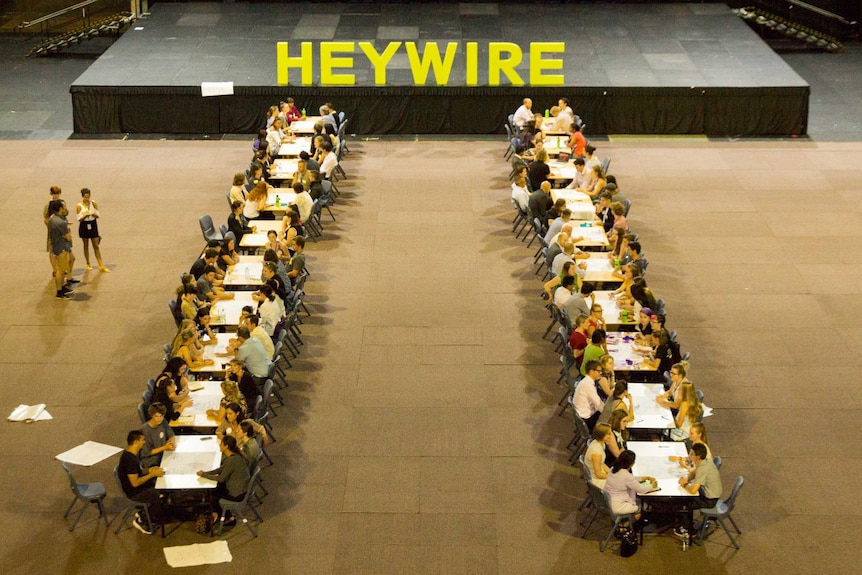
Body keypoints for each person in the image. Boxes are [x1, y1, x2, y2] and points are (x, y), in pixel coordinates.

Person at [197, 435, 250, 527]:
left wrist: (205, 475)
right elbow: (221, 469)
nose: (219, 446)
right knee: (217, 489)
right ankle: (225, 515)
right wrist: (206, 473)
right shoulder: (235, 456)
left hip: (236, 494)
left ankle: (228, 517)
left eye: (221, 444)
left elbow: (221, 478)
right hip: (240, 489)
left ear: (226, 446)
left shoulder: (231, 460)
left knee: (214, 497)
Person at [118, 430, 165, 534]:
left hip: (136, 487)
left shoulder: (131, 454)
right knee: (160, 496)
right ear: (135, 442)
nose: (144, 442)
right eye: (142, 440)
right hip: (134, 492)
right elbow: (135, 483)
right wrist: (152, 475)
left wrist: (150, 470)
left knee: (159, 485)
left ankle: (145, 513)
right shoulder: (130, 460)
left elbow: (137, 472)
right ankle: (143, 521)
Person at [675, 443, 722, 538]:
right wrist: (687, 479)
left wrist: (684, 484)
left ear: (698, 456)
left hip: (709, 500)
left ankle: (688, 529)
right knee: (685, 498)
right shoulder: (705, 461)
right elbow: (694, 472)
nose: (689, 456)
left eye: (692, 454)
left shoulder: (703, 469)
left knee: (683, 504)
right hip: (711, 493)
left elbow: (693, 490)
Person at [603, 450, 657, 522]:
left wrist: (644, 478)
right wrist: (652, 486)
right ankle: (624, 526)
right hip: (618, 505)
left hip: (608, 500)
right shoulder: (626, 476)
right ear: (631, 463)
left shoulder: (613, 469)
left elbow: (630, 480)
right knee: (644, 506)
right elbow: (642, 490)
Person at [75, 188, 108, 272]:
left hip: (93, 224)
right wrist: (85, 215)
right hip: (84, 225)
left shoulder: (93, 203)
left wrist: (93, 214)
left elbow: (98, 215)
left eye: (88, 197)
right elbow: (79, 219)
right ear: (82, 196)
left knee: (96, 245)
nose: (87, 199)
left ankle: (101, 264)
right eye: (85, 197)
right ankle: (88, 263)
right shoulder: (79, 206)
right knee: (86, 245)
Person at [48, 199, 75, 299]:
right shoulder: (61, 222)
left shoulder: (52, 218)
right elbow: (68, 236)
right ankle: (59, 291)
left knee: (62, 267)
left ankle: (61, 287)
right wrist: (67, 232)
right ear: (60, 209)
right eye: (63, 207)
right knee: (61, 270)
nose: (64, 208)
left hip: (56, 245)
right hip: (62, 247)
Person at [140, 402, 176, 467]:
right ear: (151, 416)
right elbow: (147, 452)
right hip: (152, 461)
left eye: (161, 416)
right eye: (156, 416)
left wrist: (171, 442)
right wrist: (164, 447)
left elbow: (171, 434)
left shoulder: (163, 421)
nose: (159, 419)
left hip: (164, 453)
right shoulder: (145, 430)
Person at [573, 360, 605, 432]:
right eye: (598, 371)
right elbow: (598, 404)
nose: (601, 373)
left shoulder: (585, 381)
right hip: (587, 420)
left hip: (581, 414)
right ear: (591, 371)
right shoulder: (588, 385)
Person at [584, 422, 612, 487]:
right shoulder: (597, 452)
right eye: (609, 434)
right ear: (602, 435)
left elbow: (601, 463)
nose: (610, 436)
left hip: (601, 475)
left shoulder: (599, 443)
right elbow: (598, 474)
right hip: (597, 481)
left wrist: (611, 473)